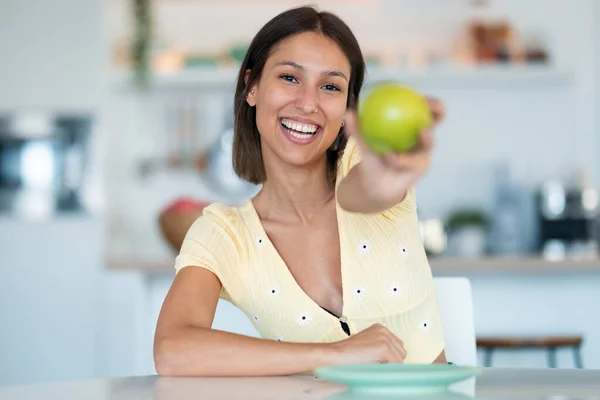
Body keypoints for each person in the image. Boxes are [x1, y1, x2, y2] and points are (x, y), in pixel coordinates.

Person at [154, 5, 447, 377]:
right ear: (252, 87)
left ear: (346, 110)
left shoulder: (362, 165)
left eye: (330, 86)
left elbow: (365, 191)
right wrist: (337, 354)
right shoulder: (226, 234)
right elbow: (172, 352)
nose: (308, 103)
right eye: (290, 78)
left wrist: (385, 176)